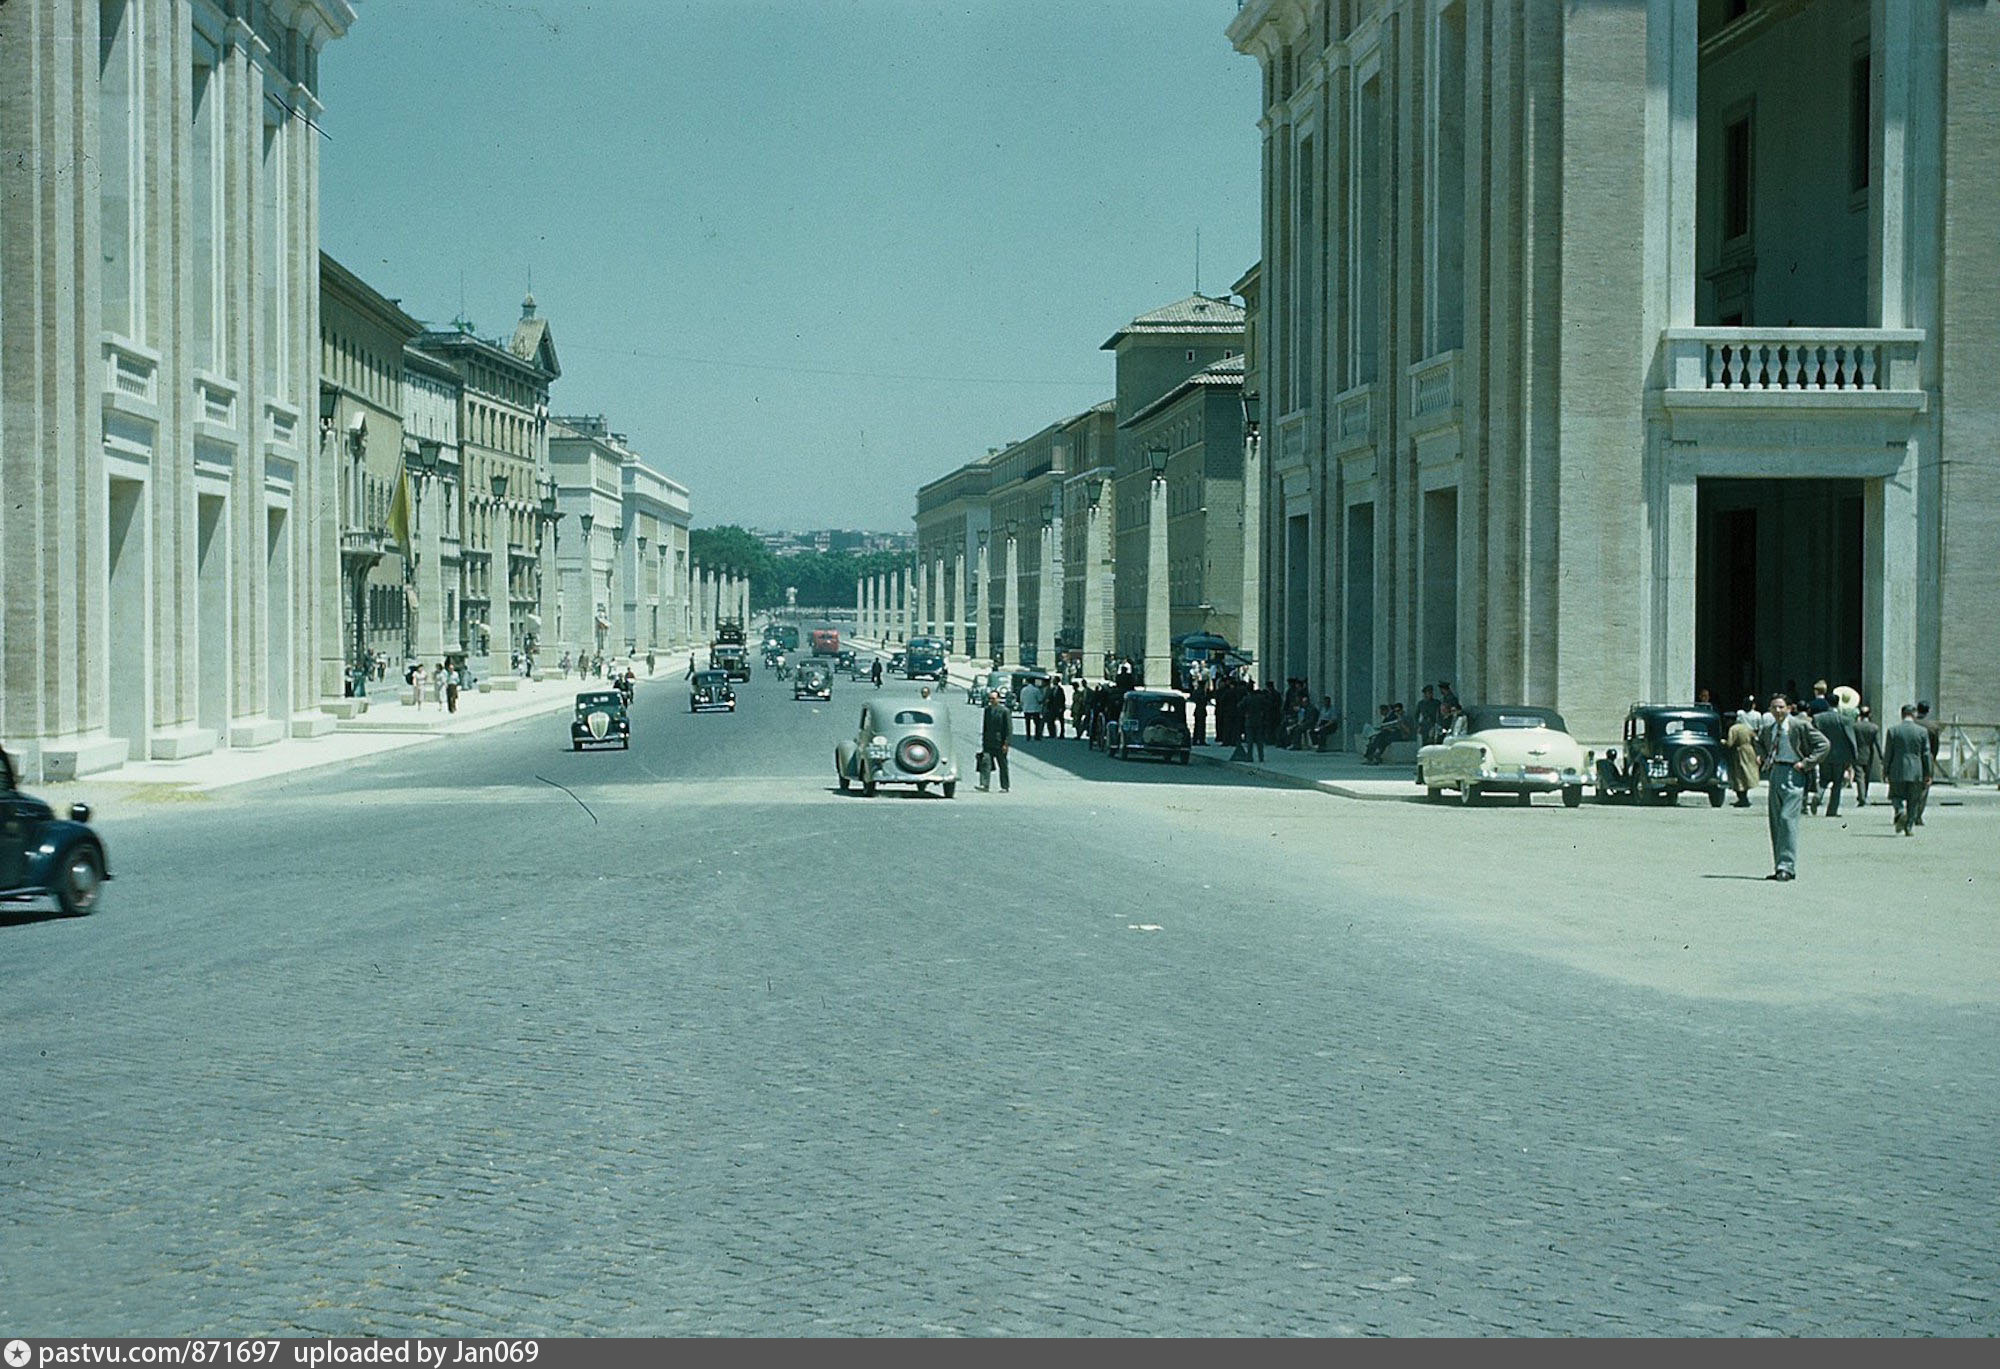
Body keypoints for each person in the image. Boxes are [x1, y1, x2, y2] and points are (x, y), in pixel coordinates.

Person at [1758, 693, 1828, 882]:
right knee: (1775, 821)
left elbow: (1823, 744)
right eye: (1774, 707)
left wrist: (1806, 763)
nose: (1777, 711)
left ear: (1789, 708)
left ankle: (1787, 866)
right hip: (1776, 772)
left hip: (1794, 772)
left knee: (1787, 819)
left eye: (1781, 707)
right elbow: (1759, 743)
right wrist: (1764, 757)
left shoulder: (1800, 726)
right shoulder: (1768, 729)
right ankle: (1779, 865)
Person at [1883, 704, 1933, 836]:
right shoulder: (1922, 732)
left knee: (1896, 796)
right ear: (1914, 714)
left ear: (1902, 714)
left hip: (1897, 768)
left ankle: (1900, 811)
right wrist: (1928, 773)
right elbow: (1926, 754)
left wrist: (1885, 770)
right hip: (1916, 770)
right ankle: (1909, 826)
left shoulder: (1893, 731)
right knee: (1913, 800)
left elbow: (1888, 753)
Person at [1813, 702, 1858, 818]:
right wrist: (1853, 756)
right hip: (1840, 756)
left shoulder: (1818, 718)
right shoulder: (1845, 720)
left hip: (1824, 754)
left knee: (1823, 779)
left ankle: (1818, 795)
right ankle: (1832, 810)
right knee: (1837, 783)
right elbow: (1851, 739)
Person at [1725, 706, 1759, 807]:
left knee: (1739, 776)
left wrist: (1723, 742)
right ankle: (1744, 798)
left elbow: (1730, 743)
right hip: (1749, 751)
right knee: (1747, 775)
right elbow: (1754, 738)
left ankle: (1742, 799)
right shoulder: (1745, 727)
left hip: (1740, 753)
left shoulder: (1733, 729)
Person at [979, 689, 1012, 792]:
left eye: (993, 698)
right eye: (990, 699)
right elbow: (985, 727)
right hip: (989, 742)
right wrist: (984, 741)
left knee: (1002, 765)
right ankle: (985, 785)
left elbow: (1008, 729)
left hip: (1000, 743)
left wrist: (1006, 744)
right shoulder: (987, 710)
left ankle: (1005, 786)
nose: (991, 701)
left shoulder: (1004, 711)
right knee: (985, 764)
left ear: (998, 699)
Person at [1851, 703, 1881, 807]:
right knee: (1866, 776)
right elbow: (1877, 743)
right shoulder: (1874, 727)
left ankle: (1861, 796)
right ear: (1870, 715)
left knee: (1859, 776)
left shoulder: (1855, 726)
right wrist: (1881, 757)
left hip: (1856, 753)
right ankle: (1864, 795)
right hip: (1869, 753)